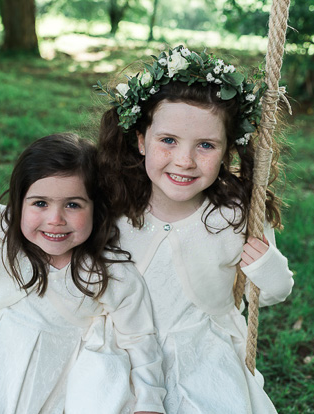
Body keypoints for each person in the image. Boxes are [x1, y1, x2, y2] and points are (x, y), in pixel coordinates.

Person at [0, 118, 165, 414]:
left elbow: (139, 339)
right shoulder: (1, 232)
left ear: (96, 207)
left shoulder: (111, 273)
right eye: (40, 203)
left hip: (64, 379)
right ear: (19, 202)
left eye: (73, 205)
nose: (55, 219)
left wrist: (148, 402)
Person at [95, 46, 294, 413]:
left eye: (205, 145)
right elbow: (37, 236)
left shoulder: (235, 215)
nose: (184, 161)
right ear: (141, 140)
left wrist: (266, 266)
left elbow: (269, 294)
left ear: (227, 151)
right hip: (121, 350)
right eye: (168, 140)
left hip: (202, 353)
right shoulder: (111, 201)